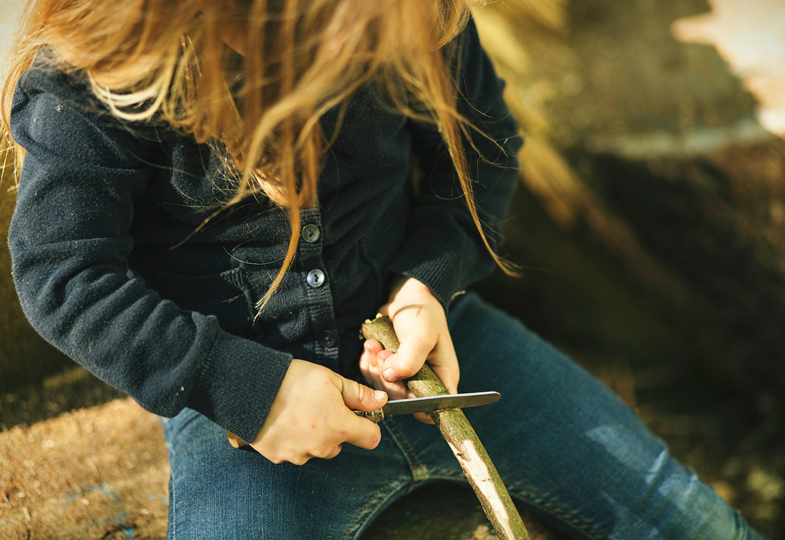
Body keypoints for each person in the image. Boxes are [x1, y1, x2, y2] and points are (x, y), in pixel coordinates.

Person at [1, 0, 766, 538]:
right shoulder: (93, 76)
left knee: (690, 519)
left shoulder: (412, 10)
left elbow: (481, 140)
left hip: (441, 343)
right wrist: (242, 389)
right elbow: (64, 273)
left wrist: (426, 283)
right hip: (246, 403)